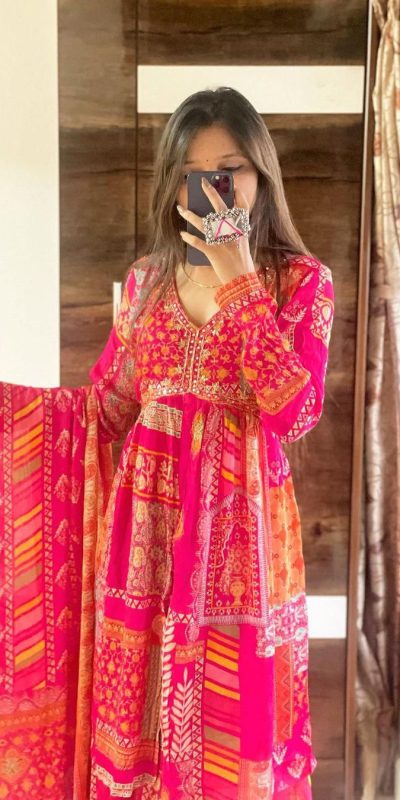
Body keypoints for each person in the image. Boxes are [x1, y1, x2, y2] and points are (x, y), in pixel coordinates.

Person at [0, 86, 334, 799]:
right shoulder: (146, 284)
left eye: (231, 170)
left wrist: (239, 278)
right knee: (138, 739)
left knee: (230, 747)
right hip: (143, 548)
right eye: (195, 173)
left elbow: (296, 410)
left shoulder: (301, 284)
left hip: (240, 559)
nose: (214, 189)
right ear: (171, 182)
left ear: (261, 173)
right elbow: (105, 409)